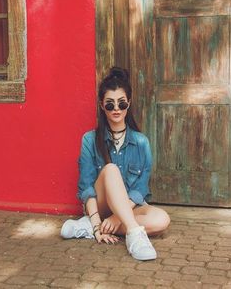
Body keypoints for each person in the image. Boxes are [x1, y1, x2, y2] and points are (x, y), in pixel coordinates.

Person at [61, 67, 170, 261]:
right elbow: (87, 188)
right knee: (111, 170)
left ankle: (88, 226)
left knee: (162, 220)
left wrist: (117, 217)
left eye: (122, 103)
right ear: (102, 106)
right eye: (110, 105)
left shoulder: (141, 142)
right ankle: (135, 234)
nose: (117, 109)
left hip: (129, 207)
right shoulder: (89, 140)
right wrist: (100, 225)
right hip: (101, 205)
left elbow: (140, 189)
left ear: (129, 102)